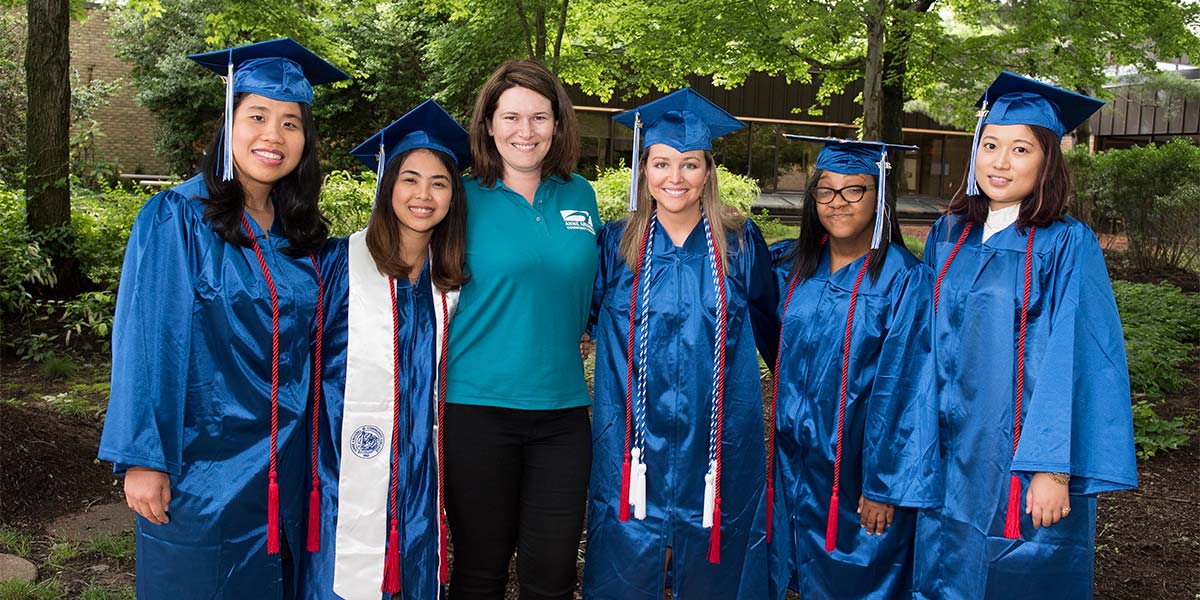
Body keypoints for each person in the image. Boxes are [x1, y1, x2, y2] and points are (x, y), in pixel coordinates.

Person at [98, 38, 348, 598]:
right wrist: (142, 458)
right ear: (229, 122)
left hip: (286, 462)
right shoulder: (177, 218)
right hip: (202, 465)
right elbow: (148, 341)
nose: (273, 136)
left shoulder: (301, 235)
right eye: (257, 115)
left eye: (291, 123)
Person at [913, 71, 1138, 599]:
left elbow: (1076, 356)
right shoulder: (948, 234)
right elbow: (919, 344)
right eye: (990, 145)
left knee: (1019, 573)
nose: (1000, 162)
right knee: (944, 567)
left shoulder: (1066, 244)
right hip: (947, 450)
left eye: (1020, 149)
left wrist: (1052, 469)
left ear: (1046, 162)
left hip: (1016, 454)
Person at [582, 88, 780, 600]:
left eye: (690, 165)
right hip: (631, 434)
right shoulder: (614, 242)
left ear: (708, 173)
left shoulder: (739, 241)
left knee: (718, 546)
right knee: (627, 545)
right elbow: (582, 321)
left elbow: (772, 327)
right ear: (643, 169)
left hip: (716, 435)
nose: (675, 178)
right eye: (662, 163)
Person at [298, 100, 470, 600]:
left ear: (453, 198)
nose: (424, 195)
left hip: (422, 473)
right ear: (386, 185)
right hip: (342, 468)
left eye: (439, 183)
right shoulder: (334, 264)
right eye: (410, 179)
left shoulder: (454, 282)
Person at [443, 59, 600, 600]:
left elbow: (597, 288)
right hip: (476, 409)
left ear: (558, 125)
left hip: (562, 413)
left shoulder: (581, 194)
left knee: (553, 574)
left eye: (539, 117)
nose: (525, 131)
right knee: (481, 570)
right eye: (510, 117)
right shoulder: (458, 197)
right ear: (488, 124)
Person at [766, 136, 939, 599]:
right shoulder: (793, 265)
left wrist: (884, 484)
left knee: (858, 580)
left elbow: (905, 388)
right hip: (794, 460)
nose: (837, 203)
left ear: (880, 197)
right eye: (825, 190)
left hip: (859, 469)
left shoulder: (903, 279)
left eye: (854, 190)